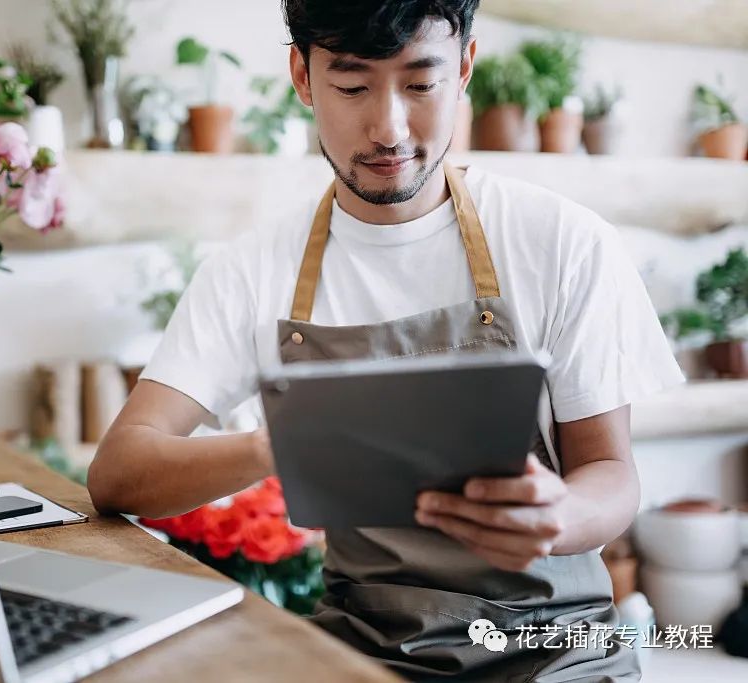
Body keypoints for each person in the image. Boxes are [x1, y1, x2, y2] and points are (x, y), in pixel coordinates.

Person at [88, 1, 683, 680]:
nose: (388, 127)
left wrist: (561, 514)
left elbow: (612, 474)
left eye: (421, 83)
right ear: (302, 77)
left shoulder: (563, 243)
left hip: (553, 647)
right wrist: (276, 443)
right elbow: (117, 473)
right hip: (367, 644)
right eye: (351, 85)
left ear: (463, 67)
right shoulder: (250, 270)